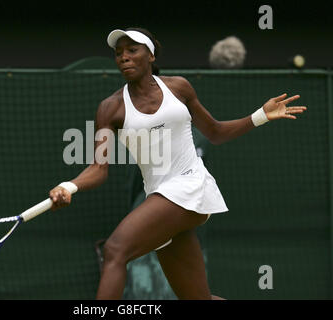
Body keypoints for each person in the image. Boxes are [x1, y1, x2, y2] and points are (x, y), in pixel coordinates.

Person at [48, 27, 307, 300]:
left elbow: (215, 132)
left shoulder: (179, 87)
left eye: (132, 50)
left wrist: (260, 116)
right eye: (118, 53)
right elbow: (98, 169)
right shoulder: (110, 108)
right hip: (160, 197)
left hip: (189, 185)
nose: (124, 57)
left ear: (150, 55)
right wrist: (69, 186)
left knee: (115, 250)